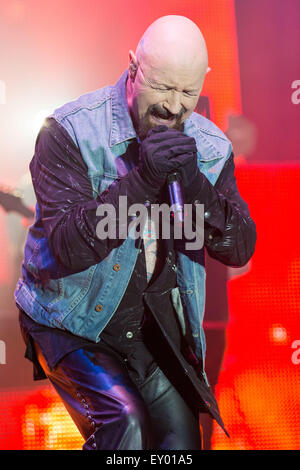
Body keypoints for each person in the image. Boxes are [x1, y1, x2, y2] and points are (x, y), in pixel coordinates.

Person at [14, 15, 256, 450]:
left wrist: (196, 186)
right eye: (162, 88)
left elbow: (239, 247)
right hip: (70, 318)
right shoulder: (70, 132)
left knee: (180, 445)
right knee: (125, 427)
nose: (174, 106)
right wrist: (144, 178)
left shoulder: (212, 148)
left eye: (187, 91)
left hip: (151, 325)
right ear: (132, 68)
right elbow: (68, 247)